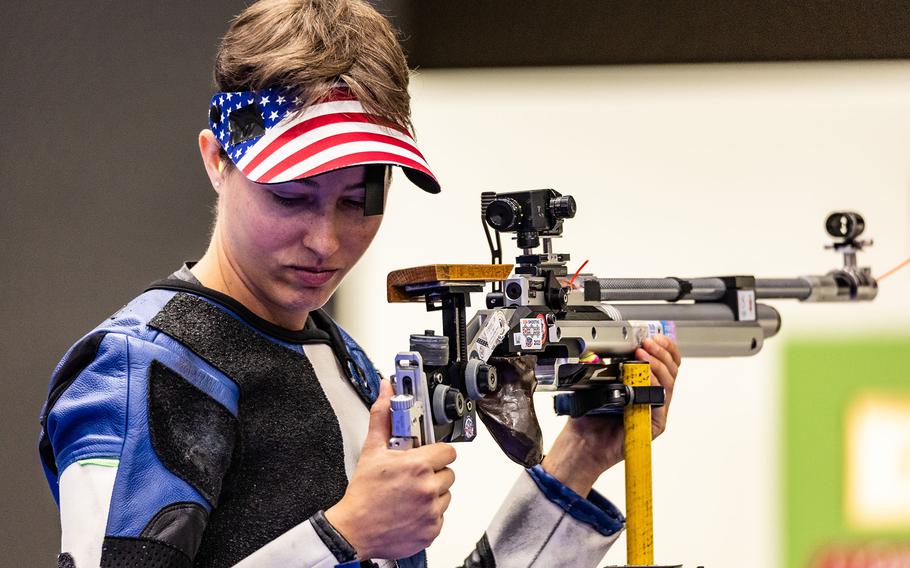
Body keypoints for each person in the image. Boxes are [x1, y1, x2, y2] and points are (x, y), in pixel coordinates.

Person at [38, 1, 681, 567]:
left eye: (357, 201)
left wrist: (580, 459)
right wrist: (345, 534)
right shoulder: (143, 365)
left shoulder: (345, 364)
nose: (325, 239)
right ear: (216, 160)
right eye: (291, 198)